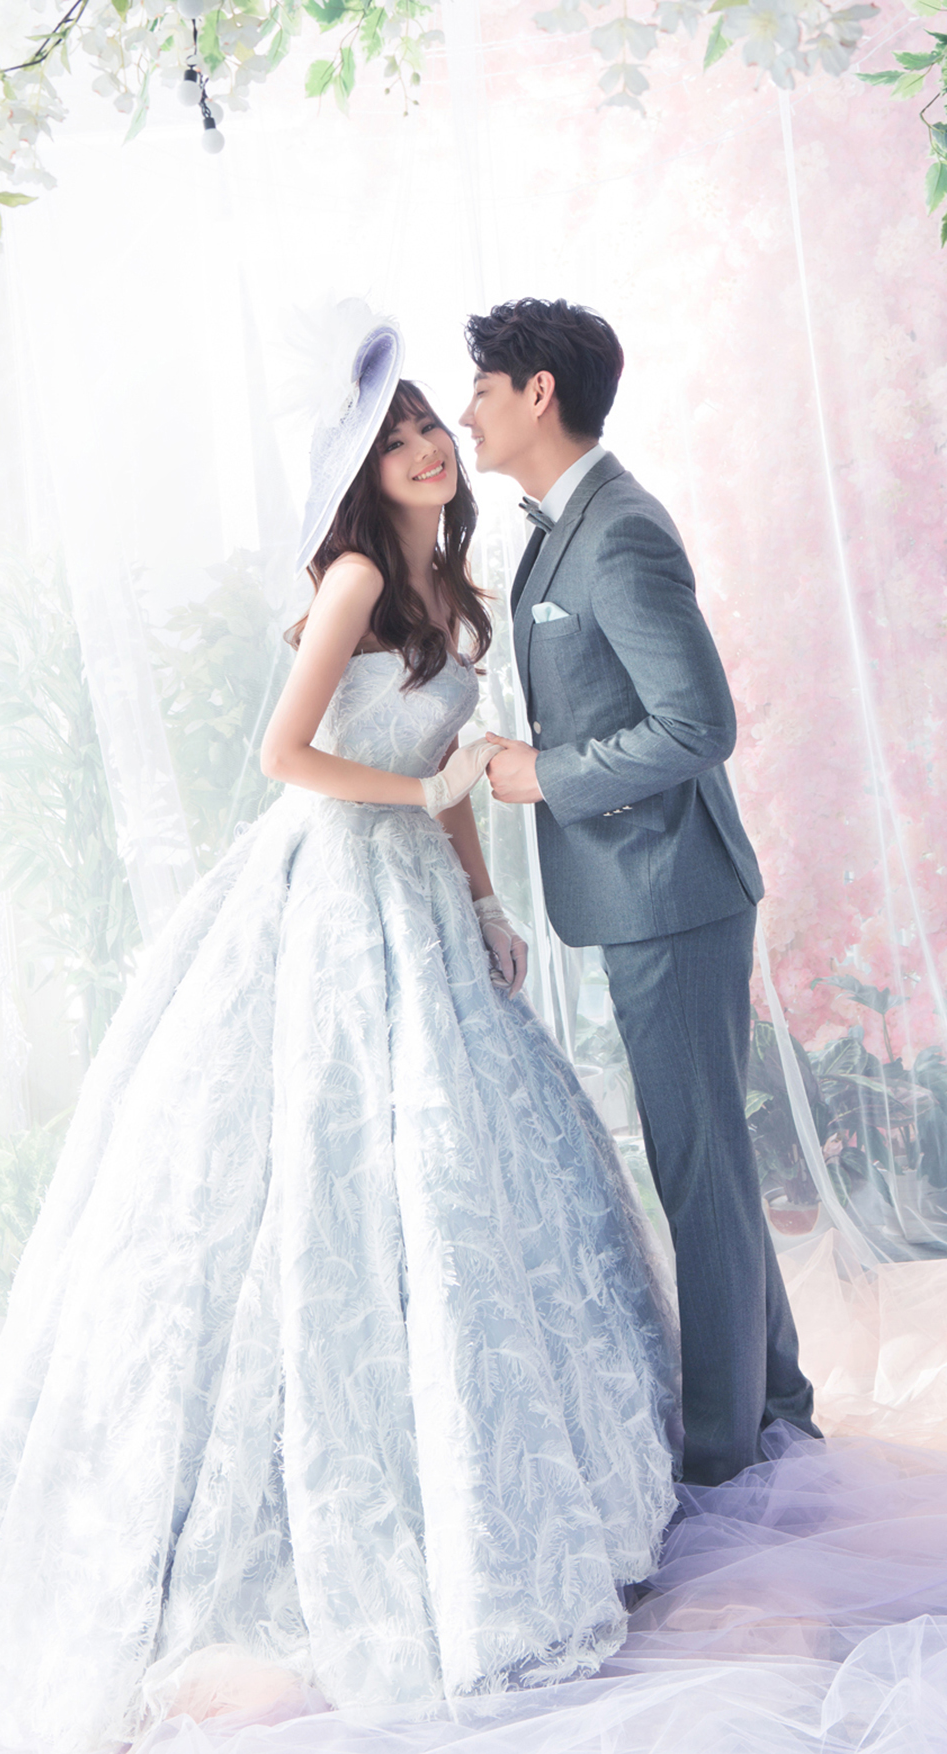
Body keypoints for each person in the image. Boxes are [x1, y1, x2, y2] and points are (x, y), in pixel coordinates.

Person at [0, 308, 679, 1754]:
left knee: (457, 1183)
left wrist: (487, 899)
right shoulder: (356, 577)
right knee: (309, 1178)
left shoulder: (453, 586)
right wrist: (426, 806)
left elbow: (448, 765)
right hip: (329, 895)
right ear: (360, 468)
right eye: (397, 437)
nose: (427, 448)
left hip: (422, 901)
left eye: (432, 425)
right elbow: (286, 758)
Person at [461, 296, 820, 1488]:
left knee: (696, 1167)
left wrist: (543, 774)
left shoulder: (617, 531)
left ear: (539, 393)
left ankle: (722, 1452)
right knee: (708, 1161)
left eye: (482, 388)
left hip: (672, 889)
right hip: (645, 887)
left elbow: (697, 725)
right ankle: (774, 1404)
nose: (467, 413)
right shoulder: (562, 526)